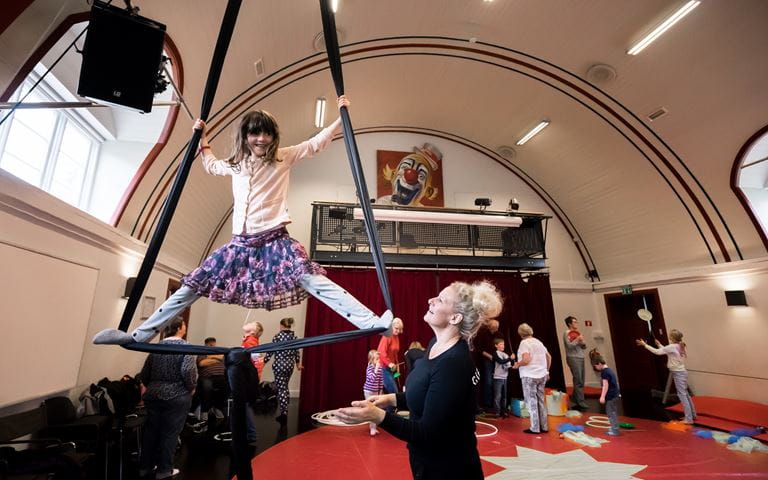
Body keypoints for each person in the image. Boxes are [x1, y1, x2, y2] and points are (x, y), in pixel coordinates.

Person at [93, 95, 393, 346]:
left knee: (317, 283)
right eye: (255, 133)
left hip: (275, 241)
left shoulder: (283, 158)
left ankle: (374, 323)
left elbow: (315, 143)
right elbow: (210, 165)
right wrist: (202, 136)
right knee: (192, 285)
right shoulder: (235, 165)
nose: (261, 139)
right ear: (245, 136)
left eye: (266, 134)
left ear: (274, 137)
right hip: (239, 246)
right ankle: (138, 334)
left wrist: (342, 116)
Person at [336, 280, 503, 480]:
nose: (430, 300)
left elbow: (428, 433)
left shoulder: (453, 363)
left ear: (455, 317)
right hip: (425, 463)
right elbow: (426, 393)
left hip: (449, 469)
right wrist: (391, 399)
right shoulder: (434, 345)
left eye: (440, 300)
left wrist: (378, 416)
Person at [138, 317, 197, 479]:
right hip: (177, 396)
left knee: (151, 432)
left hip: (153, 394)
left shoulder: (157, 347)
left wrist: (154, 386)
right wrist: (191, 388)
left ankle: (145, 467)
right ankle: (164, 469)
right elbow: (188, 372)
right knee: (170, 433)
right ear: (179, 328)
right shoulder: (186, 347)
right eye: (183, 324)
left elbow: (144, 374)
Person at [636, 329, 697, 424]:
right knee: (685, 394)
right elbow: (669, 352)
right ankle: (693, 415)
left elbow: (657, 352)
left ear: (672, 337)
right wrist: (659, 344)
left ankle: (689, 419)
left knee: (682, 396)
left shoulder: (672, 346)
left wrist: (645, 345)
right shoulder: (681, 345)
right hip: (682, 372)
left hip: (678, 373)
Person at [512, 323, 551, 434]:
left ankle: (535, 428)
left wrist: (517, 365)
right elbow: (549, 357)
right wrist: (546, 370)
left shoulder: (524, 343)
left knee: (531, 401)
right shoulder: (538, 342)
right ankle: (544, 426)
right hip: (542, 375)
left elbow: (526, 359)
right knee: (541, 401)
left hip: (529, 375)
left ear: (520, 333)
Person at [264, 317, 303, 425]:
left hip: (279, 365)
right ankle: (285, 410)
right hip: (289, 365)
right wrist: (298, 364)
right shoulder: (294, 337)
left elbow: (270, 351)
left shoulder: (277, 337)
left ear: (281, 325)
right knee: (285, 386)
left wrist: (263, 362)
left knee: (281, 389)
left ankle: (284, 414)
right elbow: (297, 352)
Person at [190, 337, 227, 425]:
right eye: (210, 345)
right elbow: (202, 363)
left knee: (228, 384)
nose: (213, 347)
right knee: (207, 385)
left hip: (221, 376)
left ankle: (217, 407)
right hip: (207, 377)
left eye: (214, 345)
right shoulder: (202, 353)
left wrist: (212, 357)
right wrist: (217, 358)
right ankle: (204, 410)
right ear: (206, 345)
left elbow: (224, 359)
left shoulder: (219, 353)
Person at [472, 319, 499, 412]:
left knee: (498, 382)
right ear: (490, 327)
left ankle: (496, 404)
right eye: (495, 327)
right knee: (488, 382)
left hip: (498, 360)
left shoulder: (498, 334)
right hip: (486, 360)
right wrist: (490, 356)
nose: (497, 329)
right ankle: (487, 405)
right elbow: (479, 348)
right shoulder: (483, 334)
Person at [562, 316, 589, 411]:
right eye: (574, 322)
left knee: (581, 379)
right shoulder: (567, 333)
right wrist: (577, 340)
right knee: (578, 380)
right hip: (573, 358)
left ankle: (574, 398)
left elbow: (584, 347)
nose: (576, 323)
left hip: (581, 357)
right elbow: (569, 346)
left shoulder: (578, 333)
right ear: (570, 324)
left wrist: (582, 341)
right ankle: (581, 401)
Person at [592, 355, 620, 436]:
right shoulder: (609, 370)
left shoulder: (604, 372)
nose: (596, 368)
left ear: (600, 364)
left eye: (596, 366)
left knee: (611, 413)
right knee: (613, 411)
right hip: (615, 395)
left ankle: (615, 430)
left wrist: (602, 396)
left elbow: (605, 385)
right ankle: (614, 427)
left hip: (610, 396)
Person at [377, 317, 404, 394]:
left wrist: (396, 365)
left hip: (391, 368)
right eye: (396, 328)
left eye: (400, 329)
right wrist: (389, 363)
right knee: (394, 392)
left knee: (389, 393)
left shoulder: (396, 337)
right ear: (392, 326)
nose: (398, 331)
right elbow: (381, 352)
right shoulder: (387, 336)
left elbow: (395, 353)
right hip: (383, 368)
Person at [363, 349, 384, 436]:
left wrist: (381, 391)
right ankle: (373, 428)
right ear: (371, 360)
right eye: (376, 359)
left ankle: (373, 427)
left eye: (379, 359)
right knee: (371, 409)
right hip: (368, 391)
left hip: (376, 391)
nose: (378, 361)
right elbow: (372, 379)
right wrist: (376, 368)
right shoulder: (370, 368)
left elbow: (380, 380)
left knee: (375, 408)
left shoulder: (379, 368)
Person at [492, 337, 513, 418]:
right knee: (498, 396)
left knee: (504, 396)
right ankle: (497, 412)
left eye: (503, 344)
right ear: (496, 346)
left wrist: (514, 365)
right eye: (501, 344)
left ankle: (503, 411)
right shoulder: (496, 353)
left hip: (505, 378)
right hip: (497, 377)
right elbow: (500, 362)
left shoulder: (505, 354)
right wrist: (509, 358)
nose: (503, 346)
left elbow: (508, 366)